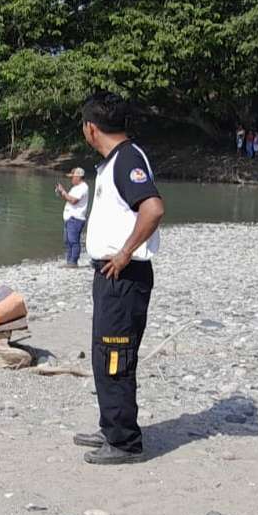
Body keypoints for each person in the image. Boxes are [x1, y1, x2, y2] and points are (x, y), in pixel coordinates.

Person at [73, 93, 166, 465]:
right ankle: (111, 425)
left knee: (116, 356)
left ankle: (125, 442)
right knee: (104, 355)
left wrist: (126, 252)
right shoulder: (113, 161)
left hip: (124, 274)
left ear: (91, 128)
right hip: (111, 275)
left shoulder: (128, 158)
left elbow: (153, 208)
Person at [54, 167, 89, 267]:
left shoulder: (83, 187)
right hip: (70, 218)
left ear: (78, 177)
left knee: (73, 241)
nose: (71, 179)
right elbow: (68, 198)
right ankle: (69, 261)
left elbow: (73, 201)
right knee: (67, 241)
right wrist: (61, 192)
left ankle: (73, 262)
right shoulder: (75, 188)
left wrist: (63, 191)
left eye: (72, 177)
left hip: (76, 218)